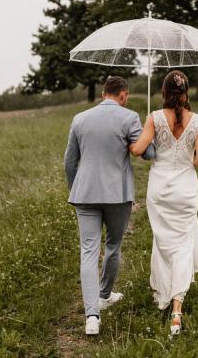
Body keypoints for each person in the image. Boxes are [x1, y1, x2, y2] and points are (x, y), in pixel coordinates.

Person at [63, 75, 155, 336]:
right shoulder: (129, 118)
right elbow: (147, 153)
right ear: (123, 95)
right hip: (117, 195)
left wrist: (76, 190)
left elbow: (69, 163)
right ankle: (103, 295)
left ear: (104, 94)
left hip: (85, 194)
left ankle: (92, 316)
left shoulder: (79, 119)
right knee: (113, 245)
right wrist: (149, 129)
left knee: (88, 251)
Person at [129, 70, 198, 336]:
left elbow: (139, 150)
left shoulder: (154, 118)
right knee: (183, 244)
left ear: (164, 92)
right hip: (185, 190)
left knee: (163, 242)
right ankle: (177, 309)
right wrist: (193, 152)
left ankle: (164, 291)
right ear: (187, 92)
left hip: (160, 190)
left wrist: (139, 139)